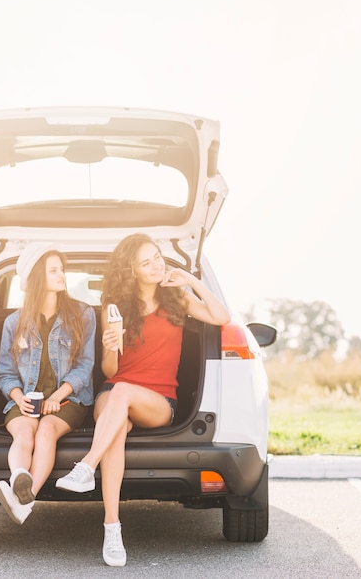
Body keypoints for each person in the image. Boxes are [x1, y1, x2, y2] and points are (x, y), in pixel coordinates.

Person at [55, 233, 231, 566]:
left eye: (157, 258)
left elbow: (222, 317)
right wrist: (110, 343)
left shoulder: (178, 297)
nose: (155, 266)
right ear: (131, 270)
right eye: (145, 262)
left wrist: (191, 278)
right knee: (115, 426)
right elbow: (110, 369)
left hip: (158, 400)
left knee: (121, 393)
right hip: (114, 392)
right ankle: (112, 529)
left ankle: (86, 467)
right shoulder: (115, 309)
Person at [0, 243, 96, 525]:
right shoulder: (14, 322)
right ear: (37, 277)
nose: (62, 275)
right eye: (54, 270)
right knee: (25, 432)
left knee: (47, 430)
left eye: (61, 269)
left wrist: (57, 397)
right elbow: (5, 372)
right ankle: (19, 480)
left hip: (69, 400)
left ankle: (25, 501)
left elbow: (85, 367)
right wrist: (18, 398)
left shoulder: (83, 314)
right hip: (25, 399)